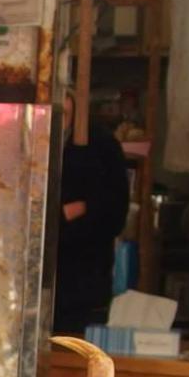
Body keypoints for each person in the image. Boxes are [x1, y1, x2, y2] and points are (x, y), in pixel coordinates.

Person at [52, 91, 132, 334]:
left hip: (82, 280)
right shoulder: (28, 137)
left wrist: (72, 213)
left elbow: (113, 211)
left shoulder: (100, 144)